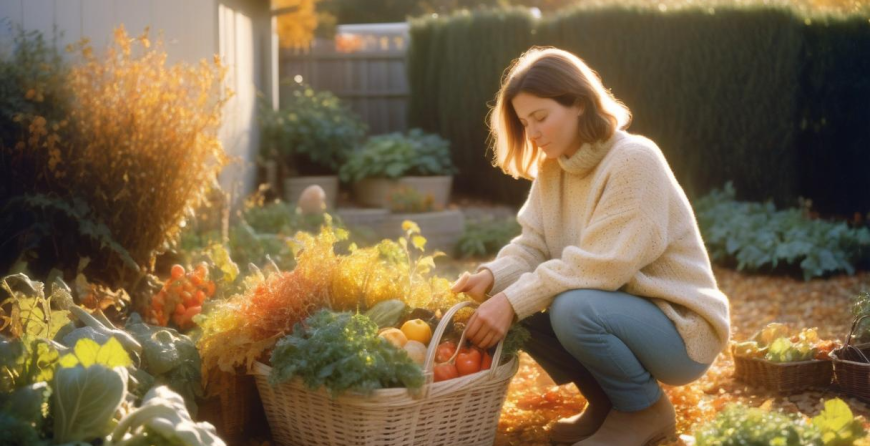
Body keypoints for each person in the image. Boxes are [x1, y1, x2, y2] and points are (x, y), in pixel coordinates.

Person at [451, 47, 731, 446]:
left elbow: (602, 267)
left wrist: (512, 300)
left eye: (541, 117)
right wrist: (492, 278)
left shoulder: (634, 159)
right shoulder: (554, 169)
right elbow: (533, 246)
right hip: (619, 311)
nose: (532, 133)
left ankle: (644, 411)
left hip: (678, 329)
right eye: (525, 122)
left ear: (579, 103)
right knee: (517, 301)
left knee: (571, 307)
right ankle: (608, 403)